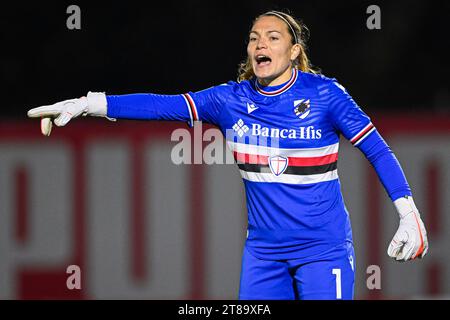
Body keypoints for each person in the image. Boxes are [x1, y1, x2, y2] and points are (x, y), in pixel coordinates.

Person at [27, 10, 428, 300]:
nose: (260, 44)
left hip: (323, 250)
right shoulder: (229, 101)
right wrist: (88, 103)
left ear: (293, 51)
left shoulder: (325, 95)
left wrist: (408, 212)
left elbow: (375, 147)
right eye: (254, 37)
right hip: (263, 254)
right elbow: (161, 105)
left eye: (272, 37)